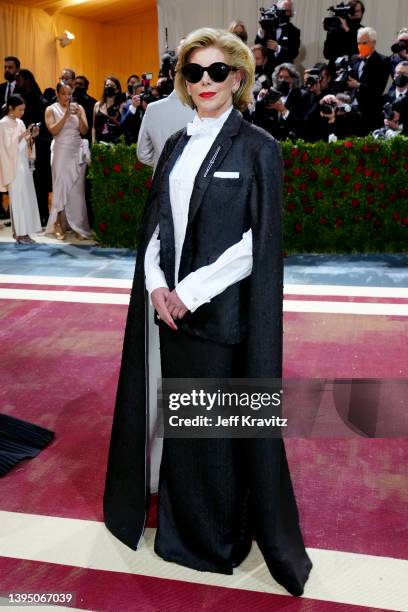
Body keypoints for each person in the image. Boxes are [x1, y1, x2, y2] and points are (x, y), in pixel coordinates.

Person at [104, 27, 312, 598]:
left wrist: (189, 291)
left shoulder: (258, 147)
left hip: (218, 316)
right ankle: (179, 534)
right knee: (185, 432)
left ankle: (218, 543)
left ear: (238, 78)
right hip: (169, 313)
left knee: (215, 433)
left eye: (217, 72)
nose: (205, 83)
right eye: (193, 72)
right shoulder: (174, 146)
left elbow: (257, 243)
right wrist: (153, 285)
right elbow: (156, 228)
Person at [45, 83, 91, 240]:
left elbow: (84, 130)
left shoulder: (79, 108)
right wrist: (65, 116)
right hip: (61, 152)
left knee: (77, 191)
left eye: (69, 94)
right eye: (64, 94)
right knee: (59, 188)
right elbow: (53, 130)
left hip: (77, 151)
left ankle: (77, 225)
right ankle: (58, 224)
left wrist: (78, 116)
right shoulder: (51, 109)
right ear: (58, 94)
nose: (67, 97)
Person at [0, 94, 42, 243]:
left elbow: (25, 144)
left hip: (23, 164)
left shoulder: (20, 122)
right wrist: (23, 135)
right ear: (11, 108)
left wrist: (32, 136)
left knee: (26, 197)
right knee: (18, 199)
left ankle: (24, 232)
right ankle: (19, 232)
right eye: (20, 109)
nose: (22, 113)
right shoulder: (3, 123)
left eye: (23, 109)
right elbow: (5, 147)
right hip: (13, 166)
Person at [15, 69, 52, 226]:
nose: (17, 82)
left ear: (28, 80)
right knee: (22, 181)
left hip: (38, 144)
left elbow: (44, 122)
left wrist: (35, 128)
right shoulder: (16, 99)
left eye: (19, 79)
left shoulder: (39, 99)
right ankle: (24, 215)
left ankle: (42, 214)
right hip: (20, 145)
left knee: (40, 181)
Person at [254, 62, 311, 140]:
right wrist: (260, 99)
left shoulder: (302, 95)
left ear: (293, 79)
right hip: (270, 139)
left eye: (287, 77)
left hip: (290, 140)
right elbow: (258, 117)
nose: (283, 80)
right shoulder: (271, 92)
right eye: (280, 77)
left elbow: (300, 122)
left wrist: (283, 110)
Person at [348, 27, 389, 131]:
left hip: (370, 110)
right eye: (358, 43)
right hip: (351, 108)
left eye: (364, 43)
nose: (360, 46)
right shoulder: (354, 59)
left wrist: (358, 85)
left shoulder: (382, 61)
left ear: (373, 43)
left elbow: (378, 89)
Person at [255, 0, 301, 69]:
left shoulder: (294, 31)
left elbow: (294, 53)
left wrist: (278, 48)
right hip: (267, 69)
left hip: (284, 70)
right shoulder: (268, 27)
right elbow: (258, 46)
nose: (285, 13)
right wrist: (261, 32)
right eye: (283, 10)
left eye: (288, 11)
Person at [323, 0, 365, 69]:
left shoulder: (363, 31)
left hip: (352, 71)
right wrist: (330, 32)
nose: (354, 13)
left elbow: (357, 52)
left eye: (357, 11)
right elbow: (326, 54)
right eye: (352, 11)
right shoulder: (336, 29)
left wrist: (346, 29)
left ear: (362, 13)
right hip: (334, 70)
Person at [92, 77, 123, 144]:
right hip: (99, 144)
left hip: (115, 145)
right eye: (107, 85)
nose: (109, 87)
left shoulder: (121, 106)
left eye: (112, 86)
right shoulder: (97, 105)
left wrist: (114, 120)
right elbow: (94, 127)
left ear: (117, 90)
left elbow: (123, 127)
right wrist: (93, 142)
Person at [72, 75, 96, 140]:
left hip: (86, 135)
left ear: (86, 86)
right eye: (76, 84)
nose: (78, 86)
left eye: (80, 84)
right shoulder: (68, 99)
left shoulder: (92, 102)